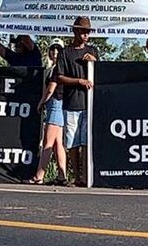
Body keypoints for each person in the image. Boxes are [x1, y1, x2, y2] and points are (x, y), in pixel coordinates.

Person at [54, 16, 99, 187]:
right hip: (71, 103)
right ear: (75, 31)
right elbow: (59, 77)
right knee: (72, 142)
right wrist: (78, 81)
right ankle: (76, 176)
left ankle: (86, 176)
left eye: (87, 32)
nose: (85, 35)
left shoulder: (93, 51)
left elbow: (101, 73)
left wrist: (94, 62)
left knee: (86, 142)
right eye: (82, 31)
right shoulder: (65, 53)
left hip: (89, 103)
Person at [30, 38, 68, 185]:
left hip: (56, 104)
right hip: (57, 105)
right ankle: (62, 176)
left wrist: (41, 103)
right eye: (53, 49)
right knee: (58, 144)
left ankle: (39, 176)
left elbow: (51, 89)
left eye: (58, 49)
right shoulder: (52, 68)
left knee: (48, 142)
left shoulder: (59, 68)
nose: (55, 52)